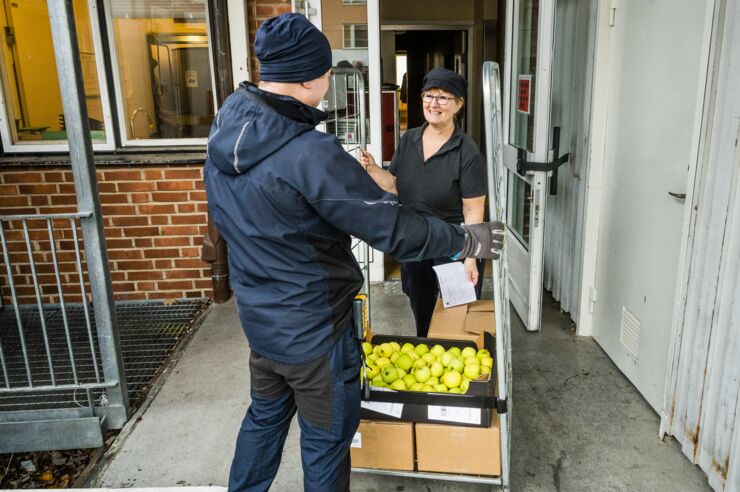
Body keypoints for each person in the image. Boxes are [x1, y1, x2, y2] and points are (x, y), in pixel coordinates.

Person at [204, 13, 503, 492]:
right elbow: (394, 230)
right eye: (326, 72)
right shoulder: (307, 152)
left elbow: (229, 221)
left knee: (263, 420)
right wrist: (466, 240)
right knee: (324, 444)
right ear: (307, 77)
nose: (329, 80)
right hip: (315, 330)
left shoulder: (224, 135)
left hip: (261, 324)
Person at [360, 67, 488, 338]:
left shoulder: (467, 151)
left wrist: (471, 259)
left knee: (456, 315)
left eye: (443, 98)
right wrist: (372, 169)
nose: (434, 103)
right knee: (422, 310)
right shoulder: (410, 139)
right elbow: (394, 184)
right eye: (429, 95)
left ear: (458, 104)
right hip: (416, 241)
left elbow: (474, 208)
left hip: (454, 243)